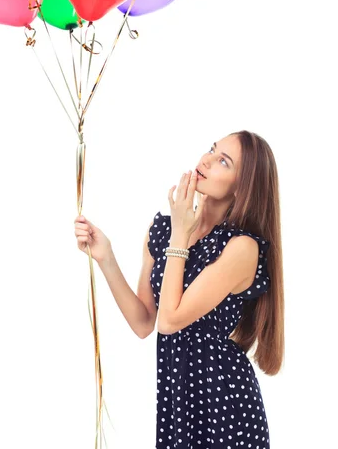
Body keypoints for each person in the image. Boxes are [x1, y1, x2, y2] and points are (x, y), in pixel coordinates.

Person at [74, 130, 284, 448]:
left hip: (223, 404)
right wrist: (106, 256)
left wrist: (181, 234)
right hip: (177, 399)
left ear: (242, 188)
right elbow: (145, 322)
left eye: (223, 161)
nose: (206, 160)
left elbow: (171, 320)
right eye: (212, 150)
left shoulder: (241, 248)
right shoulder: (164, 230)